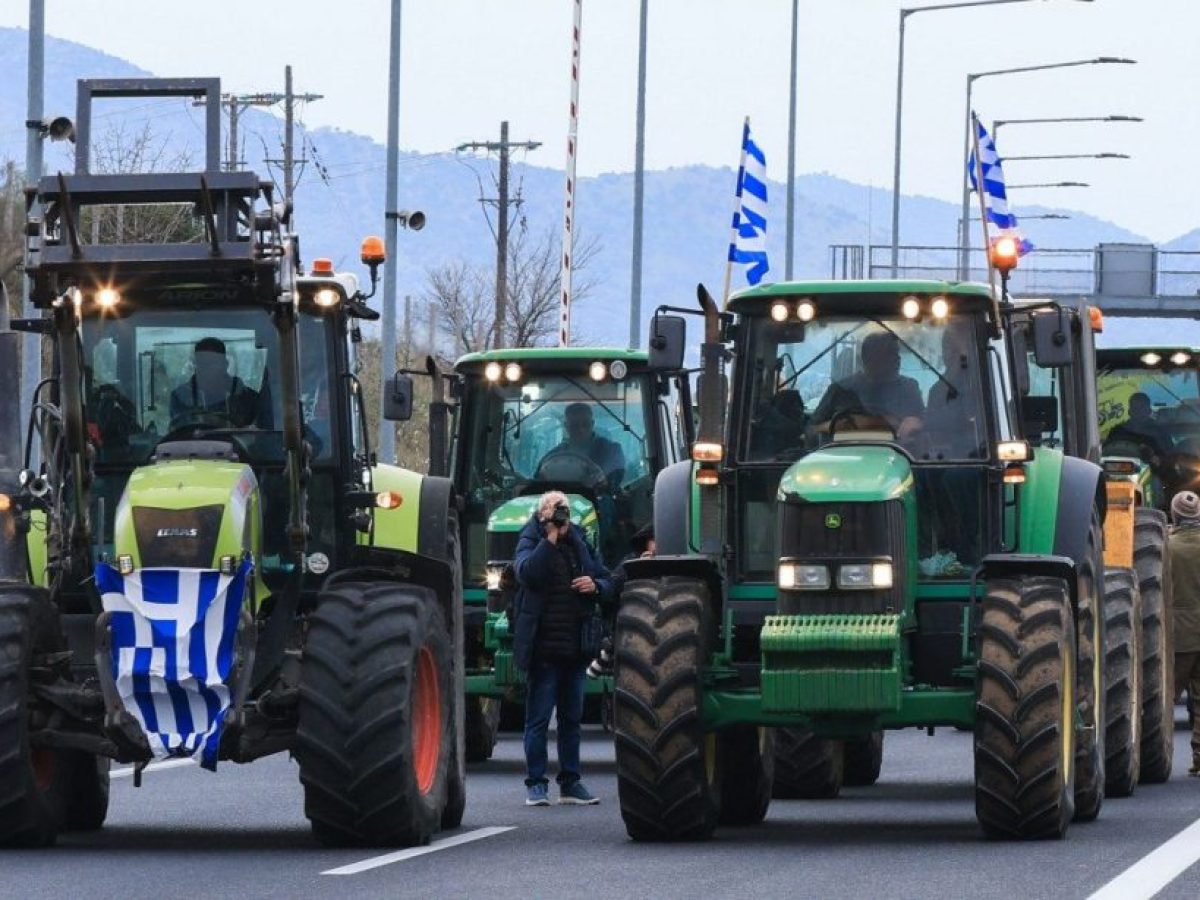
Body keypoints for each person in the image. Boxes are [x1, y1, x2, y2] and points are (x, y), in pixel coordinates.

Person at [512, 490, 614, 806]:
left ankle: (570, 782)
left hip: (574, 647)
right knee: (539, 720)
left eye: (564, 512)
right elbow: (527, 573)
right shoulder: (531, 539)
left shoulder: (579, 542)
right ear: (542, 514)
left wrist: (595, 586)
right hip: (543, 648)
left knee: (572, 720)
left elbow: (607, 579)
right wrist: (550, 538)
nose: (561, 518)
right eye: (554, 512)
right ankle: (536, 785)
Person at [810, 331, 924, 440]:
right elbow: (809, 431)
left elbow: (929, 430)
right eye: (889, 354)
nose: (897, 359)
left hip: (900, 455)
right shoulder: (840, 390)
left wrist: (916, 423)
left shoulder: (909, 389)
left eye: (896, 353)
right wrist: (831, 426)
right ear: (868, 358)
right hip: (843, 455)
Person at [169, 337, 266, 431]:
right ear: (195, 365)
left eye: (213, 363)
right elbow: (179, 432)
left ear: (225, 364)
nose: (207, 369)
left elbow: (258, 436)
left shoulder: (248, 399)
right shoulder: (180, 398)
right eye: (202, 363)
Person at [1169, 489, 1200, 776]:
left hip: (1179, 636)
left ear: (1175, 514)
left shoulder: (1168, 546)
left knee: (1167, 697)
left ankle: (1158, 753)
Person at [540, 402, 626, 491]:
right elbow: (539, 479)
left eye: (585, 424)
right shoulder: (552, 456)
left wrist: (603, 482)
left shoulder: (611, 451)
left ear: (592, 424)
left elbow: (614, 480)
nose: (581, 429)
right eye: (574, 425)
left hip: (598, 500)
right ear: (566, 426)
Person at [1110, 392, 1173, 460]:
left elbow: (1170, 459)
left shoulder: (1161, 432)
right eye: (1135, 408)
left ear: (1149, 411)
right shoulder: (1117, 432)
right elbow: (1106, 457)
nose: (1138, 412)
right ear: (1129, 411)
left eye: (1141, 408)